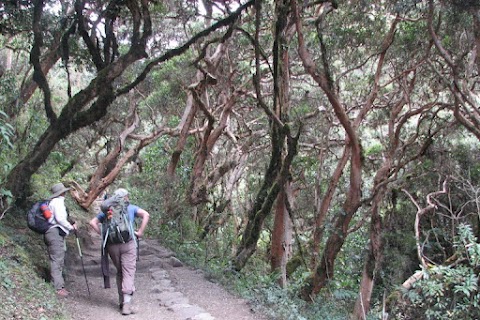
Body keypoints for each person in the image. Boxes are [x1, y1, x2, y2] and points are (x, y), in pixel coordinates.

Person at [89, 188, 150, 315]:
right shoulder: (131, 208)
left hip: (112, 246)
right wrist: (140, 232)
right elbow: (146, 215)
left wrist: (103, 233)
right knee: (128, 271)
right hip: (128, 243)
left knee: (120, 271)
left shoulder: (107, 210)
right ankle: (127, 304)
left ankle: (121, 302)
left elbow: (92, 223)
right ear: (126, 197)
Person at [44, 182, 77, 297]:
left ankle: (59, 285)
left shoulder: (52, 202)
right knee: (57, 259)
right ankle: (57, 287)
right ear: (62, 193)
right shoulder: (57, 202)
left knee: (58, 259)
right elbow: (60, 219)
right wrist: (70, 227)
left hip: (53, 233)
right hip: (54, 233)